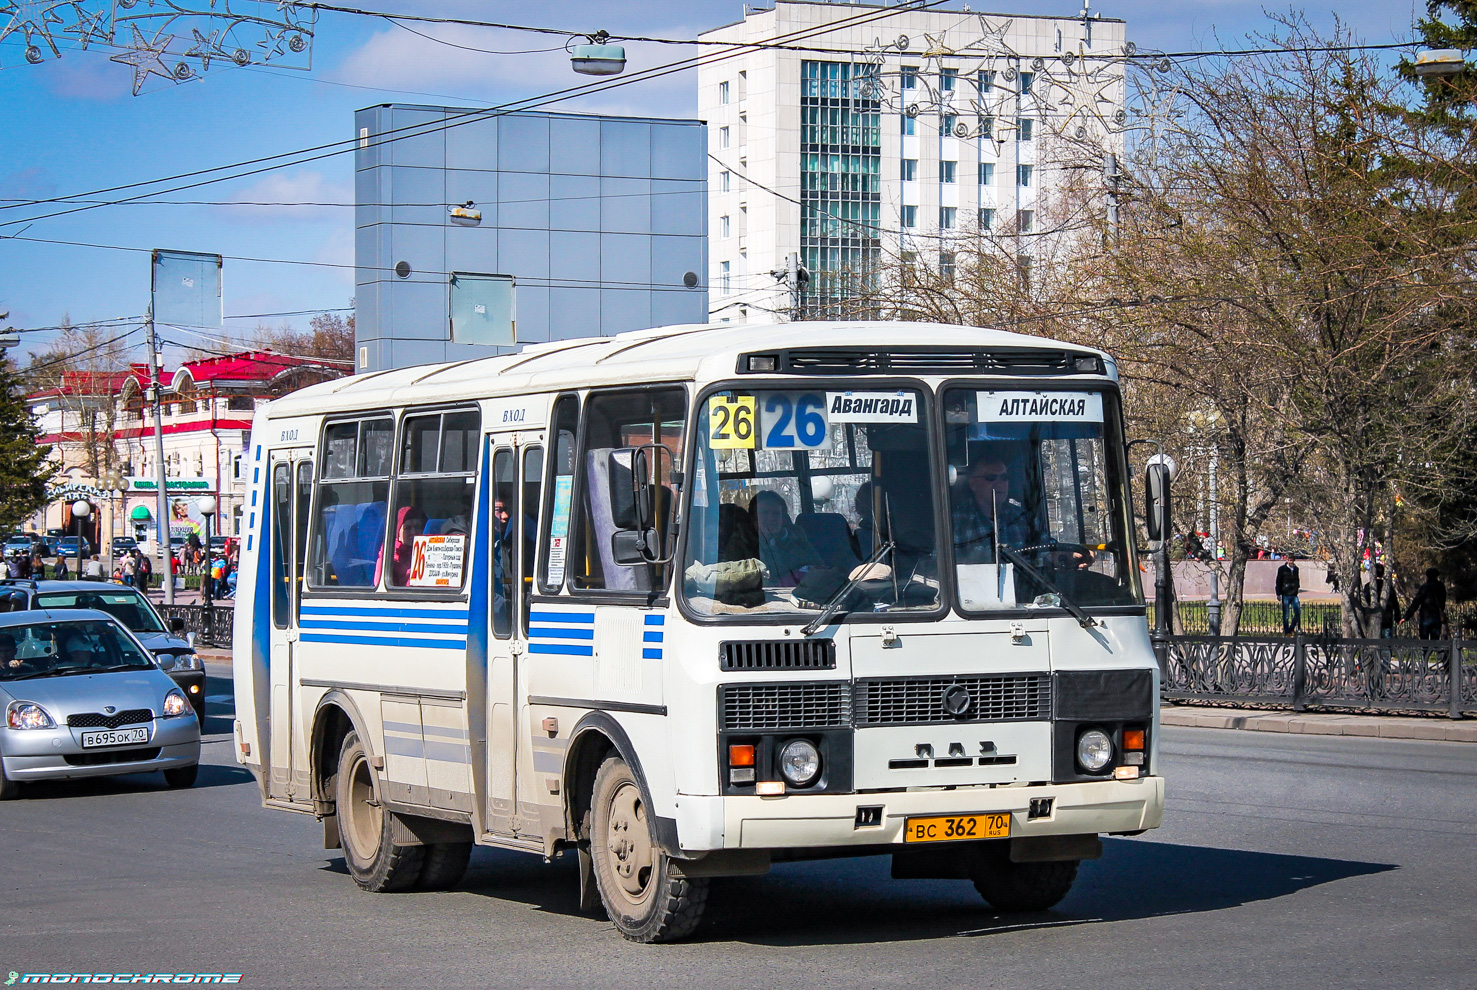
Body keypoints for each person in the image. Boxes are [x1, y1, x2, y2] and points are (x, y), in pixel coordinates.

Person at [952, 454, 1034, 564]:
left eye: (1004, 478)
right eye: (991, 478)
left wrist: (1055, 555)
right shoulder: (957, 521)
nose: (1000, 483)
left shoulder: (1023, 518)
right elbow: (940, 567)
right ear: (972, 483)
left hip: (1024, 581)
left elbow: (1048, 548)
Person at [751, 490, 823, 587]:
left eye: (776, 513)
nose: (770, 518)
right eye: (764, 513)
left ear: (783, 518)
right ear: (754, 518)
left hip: (808, 594)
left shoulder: (799, 540)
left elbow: (821, 570)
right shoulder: (745, 544)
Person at [1404, 567, 1447, 641]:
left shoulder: (1424, 588)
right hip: (1436, 616)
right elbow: (1443, 601)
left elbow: (1416, 603)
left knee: (1424, 640)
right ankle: (1436, 651)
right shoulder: (1441, 587)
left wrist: (1406, 616)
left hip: (1425, 616)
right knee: (1435, 639)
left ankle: (1425, 652)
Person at [388, 506, 428, 586]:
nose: (413, 532)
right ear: (398, 533)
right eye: (407, 528)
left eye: (417, 527)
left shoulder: (431, 550)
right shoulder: (390, 554)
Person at [1360, 563, 1400, 638]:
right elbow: (1395, 603)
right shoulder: (1388, 588)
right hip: (1387, 619)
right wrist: (1398, 618)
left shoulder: (1368, 587)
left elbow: (1364, 602)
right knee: (1386, 643)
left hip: (1371, 619)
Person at [1275, 557, 1301, 634]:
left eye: (1292, 560)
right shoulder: (1282, 569)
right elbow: (1278, 581)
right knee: (1286, 615)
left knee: (1298, 612)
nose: (1290, 561)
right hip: (1285, 593)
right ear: (1287, 560)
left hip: (1294, 594)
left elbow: (1297, 579)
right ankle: (1287, 632)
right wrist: (1278, 593)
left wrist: (1297, 586)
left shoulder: (1296, 569)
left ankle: (1291, 628)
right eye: (1289, 560)